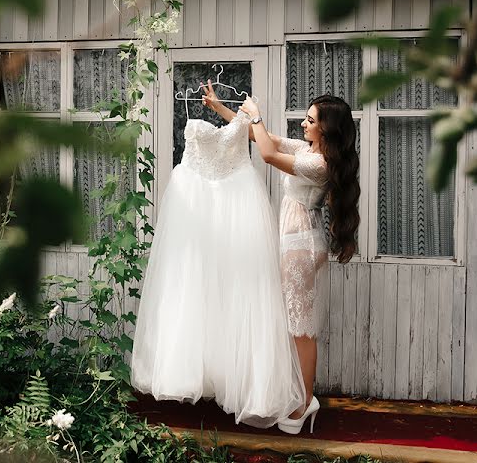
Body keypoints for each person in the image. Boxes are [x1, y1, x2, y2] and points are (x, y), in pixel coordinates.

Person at [130, 84, 305, 428]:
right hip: (194, 205)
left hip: (236, 203)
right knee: (191, 281)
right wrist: (225, 108)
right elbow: (239, 127)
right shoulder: (203, 108)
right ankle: (192, 373)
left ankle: (239, 381)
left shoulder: (247, 119)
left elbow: (257, 138)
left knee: (238, 286)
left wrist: (247, 114)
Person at [204, 82, 359, 435]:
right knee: (295, 325)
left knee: (301, 328)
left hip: (302, 243)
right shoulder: (310, 152)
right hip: (297, 241)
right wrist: (223, 111)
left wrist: (255, 114)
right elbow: (265, 139)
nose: (303, 125)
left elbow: (269, 156)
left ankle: (306, 402)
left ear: (326, 128)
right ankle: (303, 397)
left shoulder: (321, 164)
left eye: (309, 120)